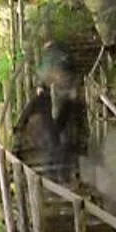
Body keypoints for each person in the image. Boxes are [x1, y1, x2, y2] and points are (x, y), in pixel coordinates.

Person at [12, 43, 87, 183]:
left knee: (59, 142)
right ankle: (57, 173)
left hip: (61, 112)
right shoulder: (45, 97)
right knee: (57, 142)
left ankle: (59, 173)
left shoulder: (58, 93)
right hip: (56, 115)